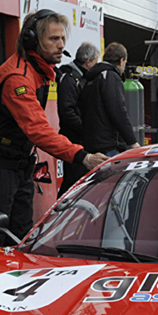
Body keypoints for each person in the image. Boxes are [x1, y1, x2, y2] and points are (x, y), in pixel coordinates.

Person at [0, 10, 108, 251]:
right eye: (54, 39)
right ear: (32, 40)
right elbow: (38, 130)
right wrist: (82, 156)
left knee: (19, 238)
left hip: (17, 165)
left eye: (62, 39)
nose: (61, 45)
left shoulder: (38, 72)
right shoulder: (17, 77)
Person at [78, 42, 139, 158]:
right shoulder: (111, 76)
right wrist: (132, 141)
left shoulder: (91, 78)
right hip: (108, 145)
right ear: (121, 60)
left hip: (90, 144)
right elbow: (118, 111)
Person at [56, 41, 99, 198]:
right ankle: (57, 217)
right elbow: (67, 112)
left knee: (81, 184)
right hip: (74, 141)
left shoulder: (81, 78)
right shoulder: (70, 79)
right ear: (88, 61)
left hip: (81, 140)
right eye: (95, 62)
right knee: (72, 184)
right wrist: (86, 129)